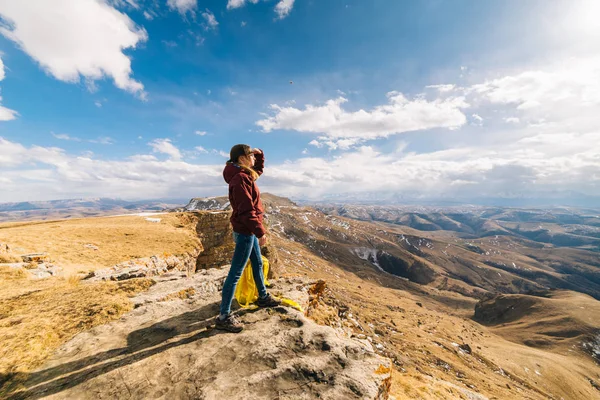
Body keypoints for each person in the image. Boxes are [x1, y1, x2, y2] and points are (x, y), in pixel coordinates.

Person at [216, 144, 282, 332]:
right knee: (236, 272)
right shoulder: (240, 179)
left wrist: (261, 155)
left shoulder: (244, 174)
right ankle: (224, 316)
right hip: (246, 232)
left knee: (258, 263)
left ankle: (262, 297)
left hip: (248, 231)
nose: (253, 159)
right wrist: (260, 231)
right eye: (250, 156)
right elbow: (246, 211)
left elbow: (258, 170)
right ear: (242, 159)